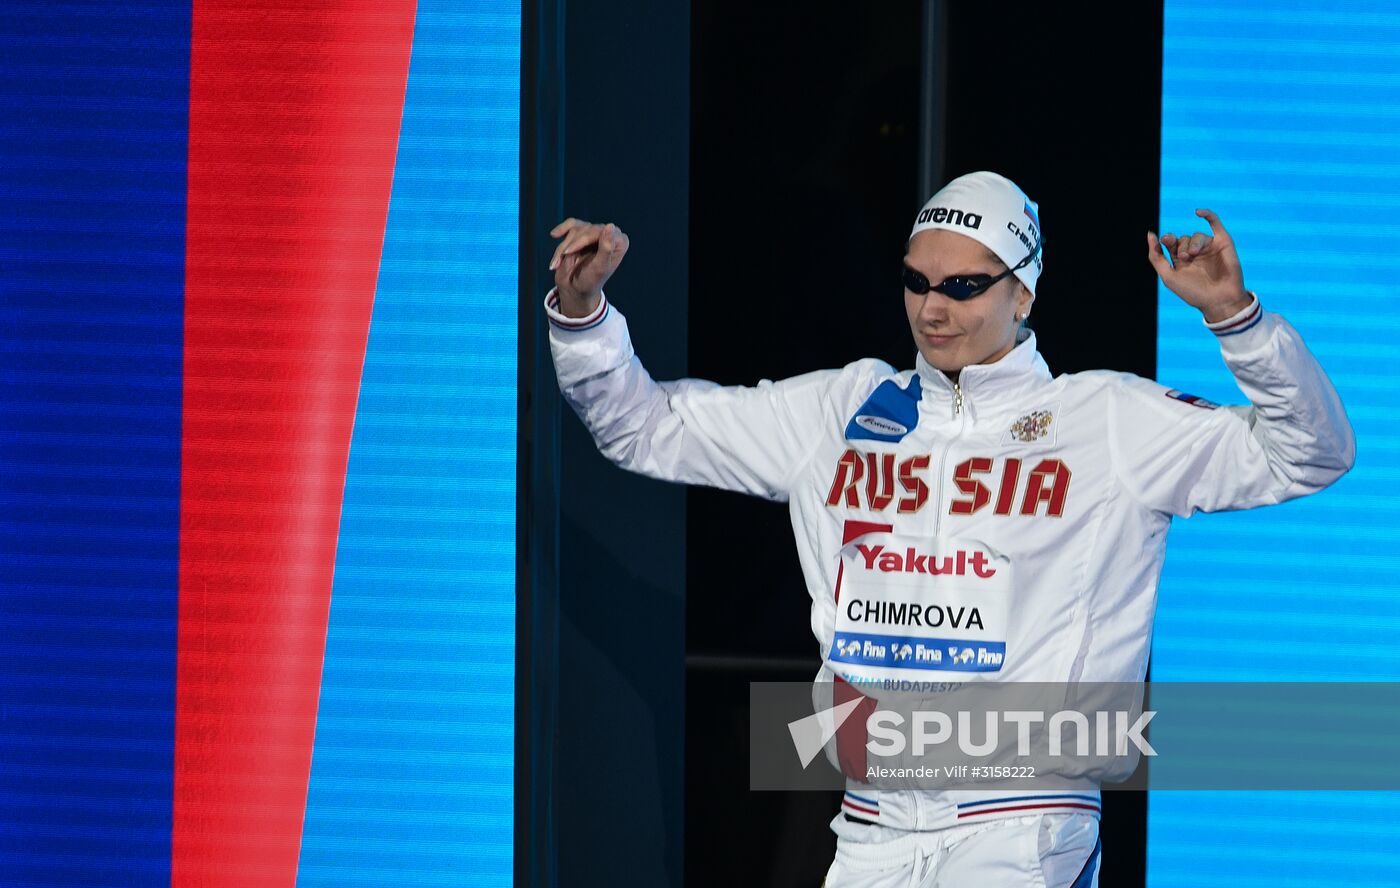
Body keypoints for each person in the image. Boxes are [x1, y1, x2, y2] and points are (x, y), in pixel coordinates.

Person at [542, 171, 1354, 887]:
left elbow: (1311, 455)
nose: (933, 308)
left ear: (1023, 292)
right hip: (869, 830)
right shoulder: (841, 410)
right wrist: (584, 317)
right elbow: (642, 428)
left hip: (1021, 826)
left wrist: (1237, 322)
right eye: (916, 281)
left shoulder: (1106, 419)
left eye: (964, 286)